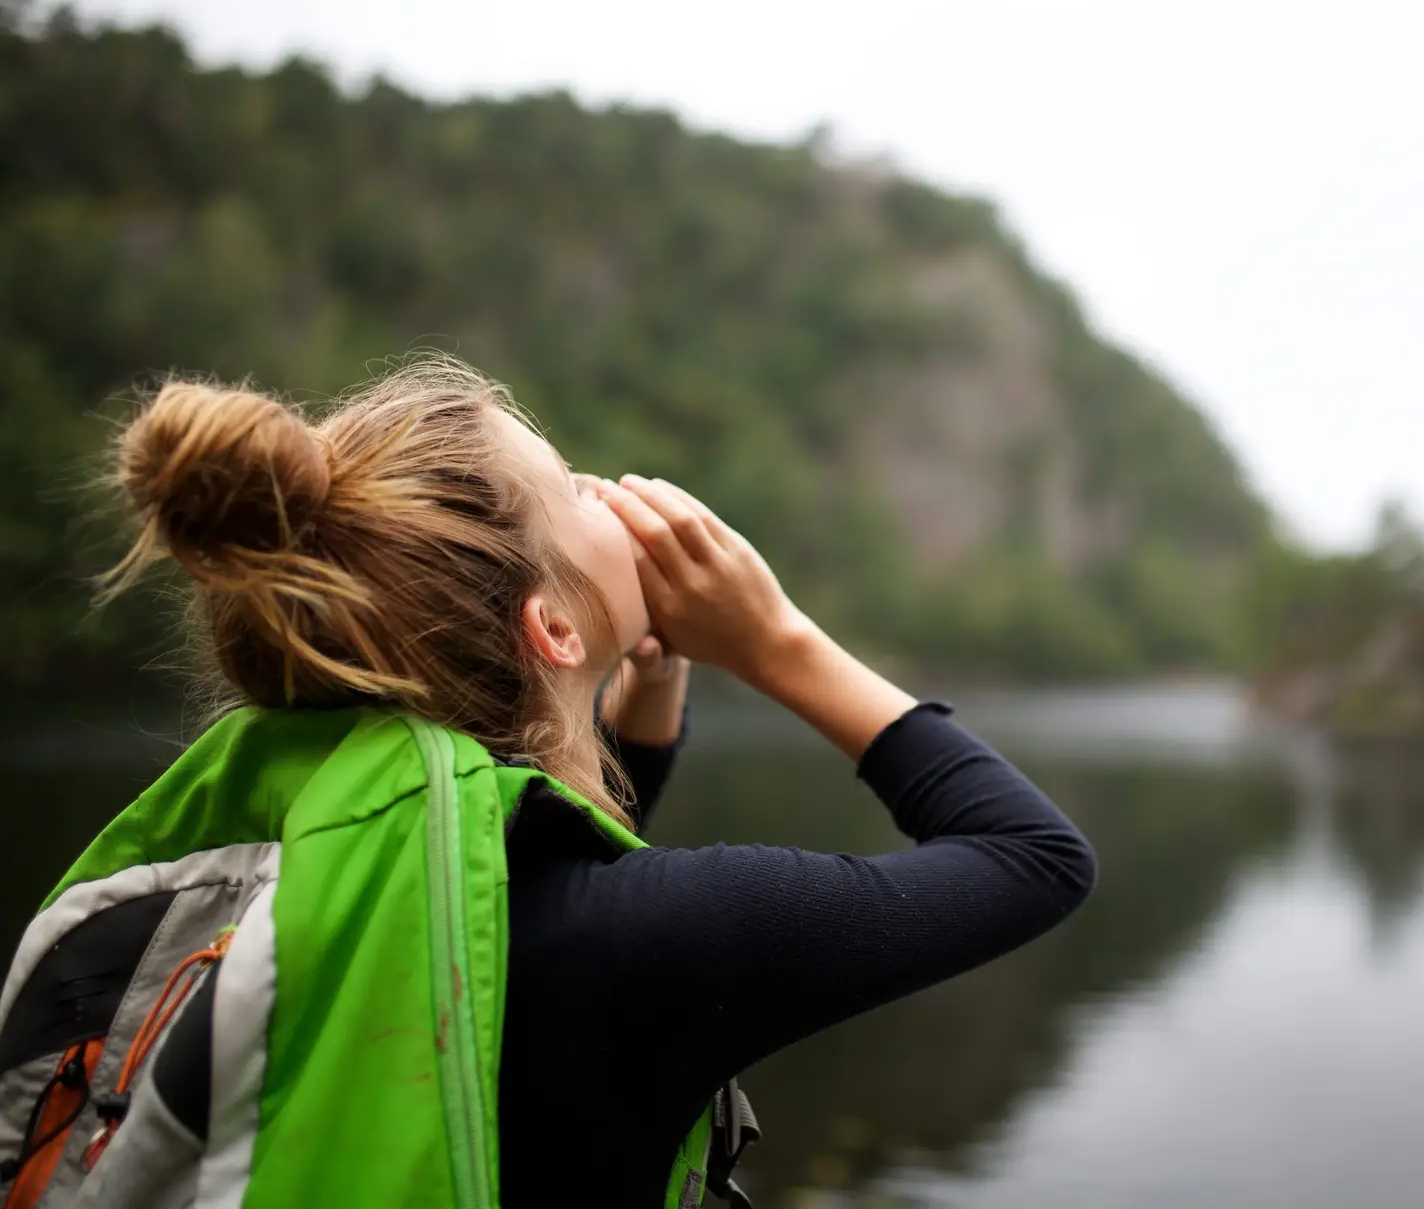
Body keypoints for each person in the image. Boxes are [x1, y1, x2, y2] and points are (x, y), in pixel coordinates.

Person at [0, 358, 1096, 1208]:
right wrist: (779, 643)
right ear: (555, 626)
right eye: (572, 485)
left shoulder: (336, 833)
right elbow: (1034, 857)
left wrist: (640, 688)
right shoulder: (647, 940)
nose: (610, 492)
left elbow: (536, 896)